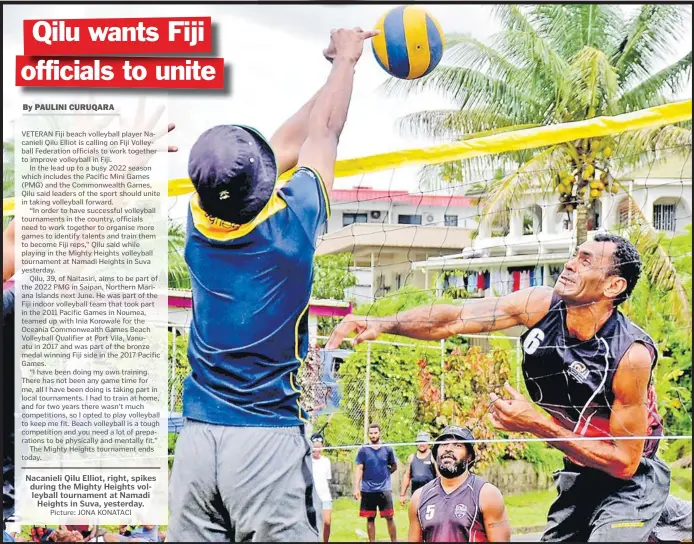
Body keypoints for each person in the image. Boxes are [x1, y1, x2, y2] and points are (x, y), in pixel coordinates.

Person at [327, 233, 687, 541]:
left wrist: (533, 423)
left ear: (613, 286)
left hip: (634, 480)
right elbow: (454, 318)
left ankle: (661, 513)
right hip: (581, 472)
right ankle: (673, 519)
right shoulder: (540, 305)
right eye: (575, 254)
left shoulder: (630, 355)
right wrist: (383, 322)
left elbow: (625, 463)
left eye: (586, 260)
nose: (571, 263)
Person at [166, 27, 379, 543]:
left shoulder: (197, 221)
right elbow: (321, 132)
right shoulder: (292, 231)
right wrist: (348, 59)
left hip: (196, 443)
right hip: (265, 440)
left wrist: (336, 69)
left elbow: (287, 142)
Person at [409, 426, 510, 542]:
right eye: (443, 444)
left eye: (457, 445)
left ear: (469, 457)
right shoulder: (418, 497)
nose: (448, 449)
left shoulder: (487, 494)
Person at [354, 423, 398, 543]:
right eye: (371, 433)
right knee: (370, 519)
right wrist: (356, 488)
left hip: (384, 489)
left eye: (375, 433)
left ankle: (394, 541)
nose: (373, 435)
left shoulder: (387, 449)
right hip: (368, 490)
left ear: (379, 433)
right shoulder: (363, 450)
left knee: (389, 518)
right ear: (368, 434)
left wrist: (385, 474)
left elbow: (394, 466)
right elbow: (359, 468)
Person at [400, 431, 438, 506]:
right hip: (415, 494)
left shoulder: (433, 457)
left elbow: (439, 476)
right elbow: (407, 476)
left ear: (428, 443)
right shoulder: (411, 458)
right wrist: (402, 495)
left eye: (424, 441)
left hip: (431, 494)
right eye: (420, 441)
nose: (421, 444)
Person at [311, 436, 333, 542]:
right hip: (312, 497)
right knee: (313, 523)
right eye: (315, 447)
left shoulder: (326, 461)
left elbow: (327, 479)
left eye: (319, 447)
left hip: (325, 496)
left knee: (327, 522)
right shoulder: (308, 461)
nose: (317, 450)